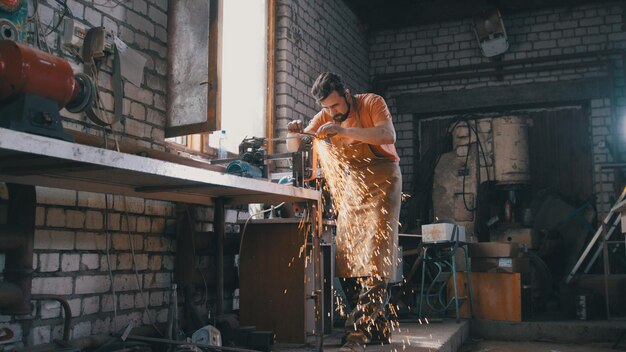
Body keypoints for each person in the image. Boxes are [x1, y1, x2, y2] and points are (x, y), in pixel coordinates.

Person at [286, 72, 402, 352]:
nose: (332, 113)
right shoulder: (325, 116)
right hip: (352, 186)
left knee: (375, 258)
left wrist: (344, 131)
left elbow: (388, 134)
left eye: (336, 106)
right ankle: (379, 328)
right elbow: (296, 147)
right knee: (346, 260)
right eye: (326, 108)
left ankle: (357, 336)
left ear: (347, 95)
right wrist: (293, 133)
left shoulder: (371, 102)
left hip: (382, 180)